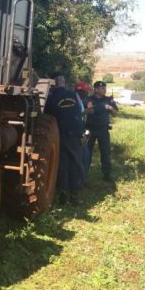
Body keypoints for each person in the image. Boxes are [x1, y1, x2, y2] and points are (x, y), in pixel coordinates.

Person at [45, 76, 86, 205]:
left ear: (54, 84)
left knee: (62, 164)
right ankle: (74, 196)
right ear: (64, 83)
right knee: (75, 162)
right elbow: (81, 110)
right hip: (76, 134)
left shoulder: (50, 98)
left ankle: (63, 194)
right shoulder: (74, 94)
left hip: (61, 134)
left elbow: (47, 116)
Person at [84, 81, 119, 182]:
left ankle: (107, 174)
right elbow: (82, 112)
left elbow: (115, 113)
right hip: (88, 129)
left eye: (105, 88)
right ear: (96, 89)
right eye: (103, 88)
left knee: (105, 152)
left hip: (103, 129)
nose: (105, 90)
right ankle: (83, 174)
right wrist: (88, 109)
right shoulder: (88, 99)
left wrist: (110, 107)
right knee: (86, 152)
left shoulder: (109, 100)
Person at [75, 81, 92, 175]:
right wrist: (87, 111)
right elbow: (76, 115)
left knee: (85, 154)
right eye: (86, 91)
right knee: (84, 155)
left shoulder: (80, 100)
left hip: (83, 131)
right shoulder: (75, 100)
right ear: (81, 91)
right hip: (78, 132)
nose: (87, 94)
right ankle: (81, 176)